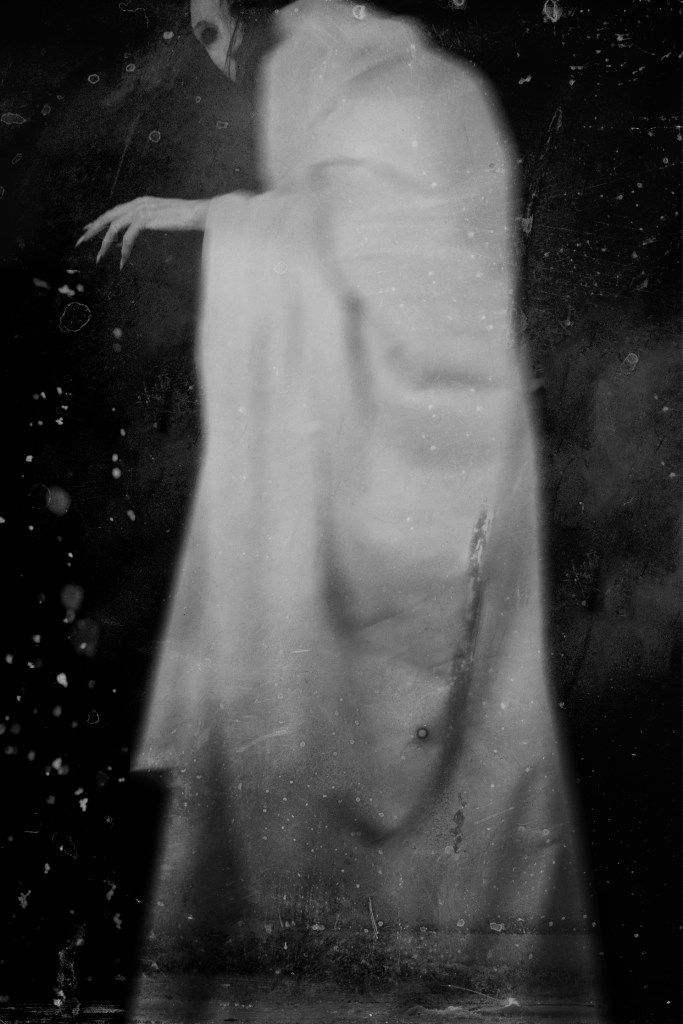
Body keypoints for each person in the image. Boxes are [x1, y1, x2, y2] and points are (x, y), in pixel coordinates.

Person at [79, 0, 600, 1002]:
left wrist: (206, 219)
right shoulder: (426, 89)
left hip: (432, 500)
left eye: (216, 29)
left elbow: (390, 267)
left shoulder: (349, 85)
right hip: (455, 481)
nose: (220, 60)